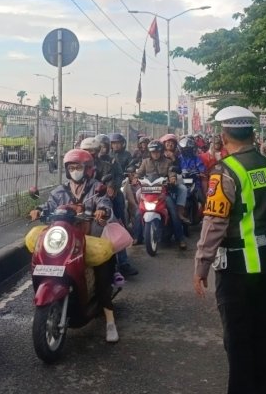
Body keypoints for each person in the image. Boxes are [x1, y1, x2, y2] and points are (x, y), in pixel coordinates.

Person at [193, 106, 266, 394]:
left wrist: (201, 265)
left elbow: (214, 223)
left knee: (239, 344)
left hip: (240, 270)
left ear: (223, 136)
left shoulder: (225, 171)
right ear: (251, 133)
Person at [28, 149, 120, 343]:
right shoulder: (60, 191)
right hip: (64, 239)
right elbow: (48, 206)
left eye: (78, 167)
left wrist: (102, 210)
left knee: (101, 275)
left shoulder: (96, 188)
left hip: (88, 238)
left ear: (88, 169)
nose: (75, 171)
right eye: (71, 167)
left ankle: (110, 321)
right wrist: (38, 210)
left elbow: (104, 202)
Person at [81, 137, 137, 277]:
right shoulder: (76, 167)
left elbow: (113, 179)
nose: (89, 153)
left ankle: (123, 263)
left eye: (92, 150)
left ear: (97, 151)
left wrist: (111, 187)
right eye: (85, 150)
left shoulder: (107, 164)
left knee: (114, 225)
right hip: (82, 205)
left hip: (102, 201)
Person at [136, 140, 187, 250]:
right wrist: (135, 178)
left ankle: (180, 238)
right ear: (150, 152)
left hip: (163, 192)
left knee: (173, 213)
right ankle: (137, 237)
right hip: (148, 191)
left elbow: (171, 173)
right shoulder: (145, 162)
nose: (155, 154)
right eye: (153, 152)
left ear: (161, 152)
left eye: (157, 152)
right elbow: (139, 173)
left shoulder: (168, 162)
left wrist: (172, 178)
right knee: (138, 211)